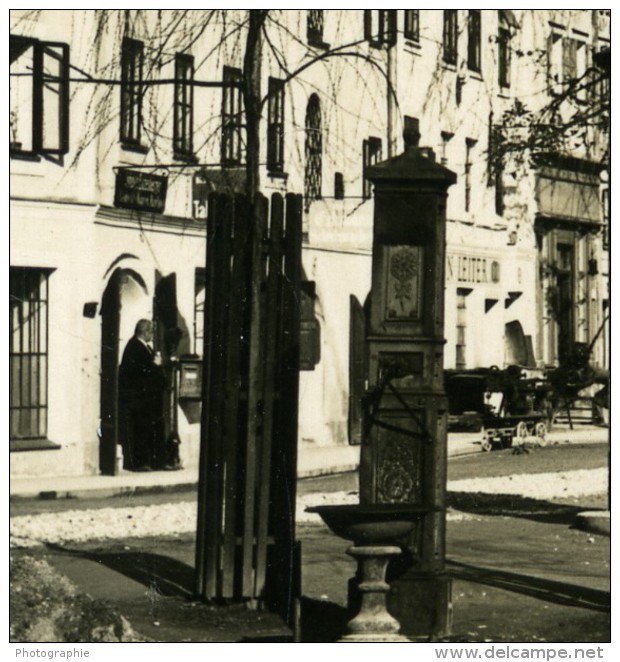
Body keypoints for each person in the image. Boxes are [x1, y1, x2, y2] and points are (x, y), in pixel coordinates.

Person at [119, 319, 168, 471]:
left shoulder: (145, 347)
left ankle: (155, 461)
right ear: (144, 332)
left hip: (149, 400)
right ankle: (140, 463)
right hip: (140, 400)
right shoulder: (134, 347)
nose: (152, 335)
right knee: (140, 431)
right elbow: (141, 372)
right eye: (151, 331)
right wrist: (157, 365)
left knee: (149, 430)